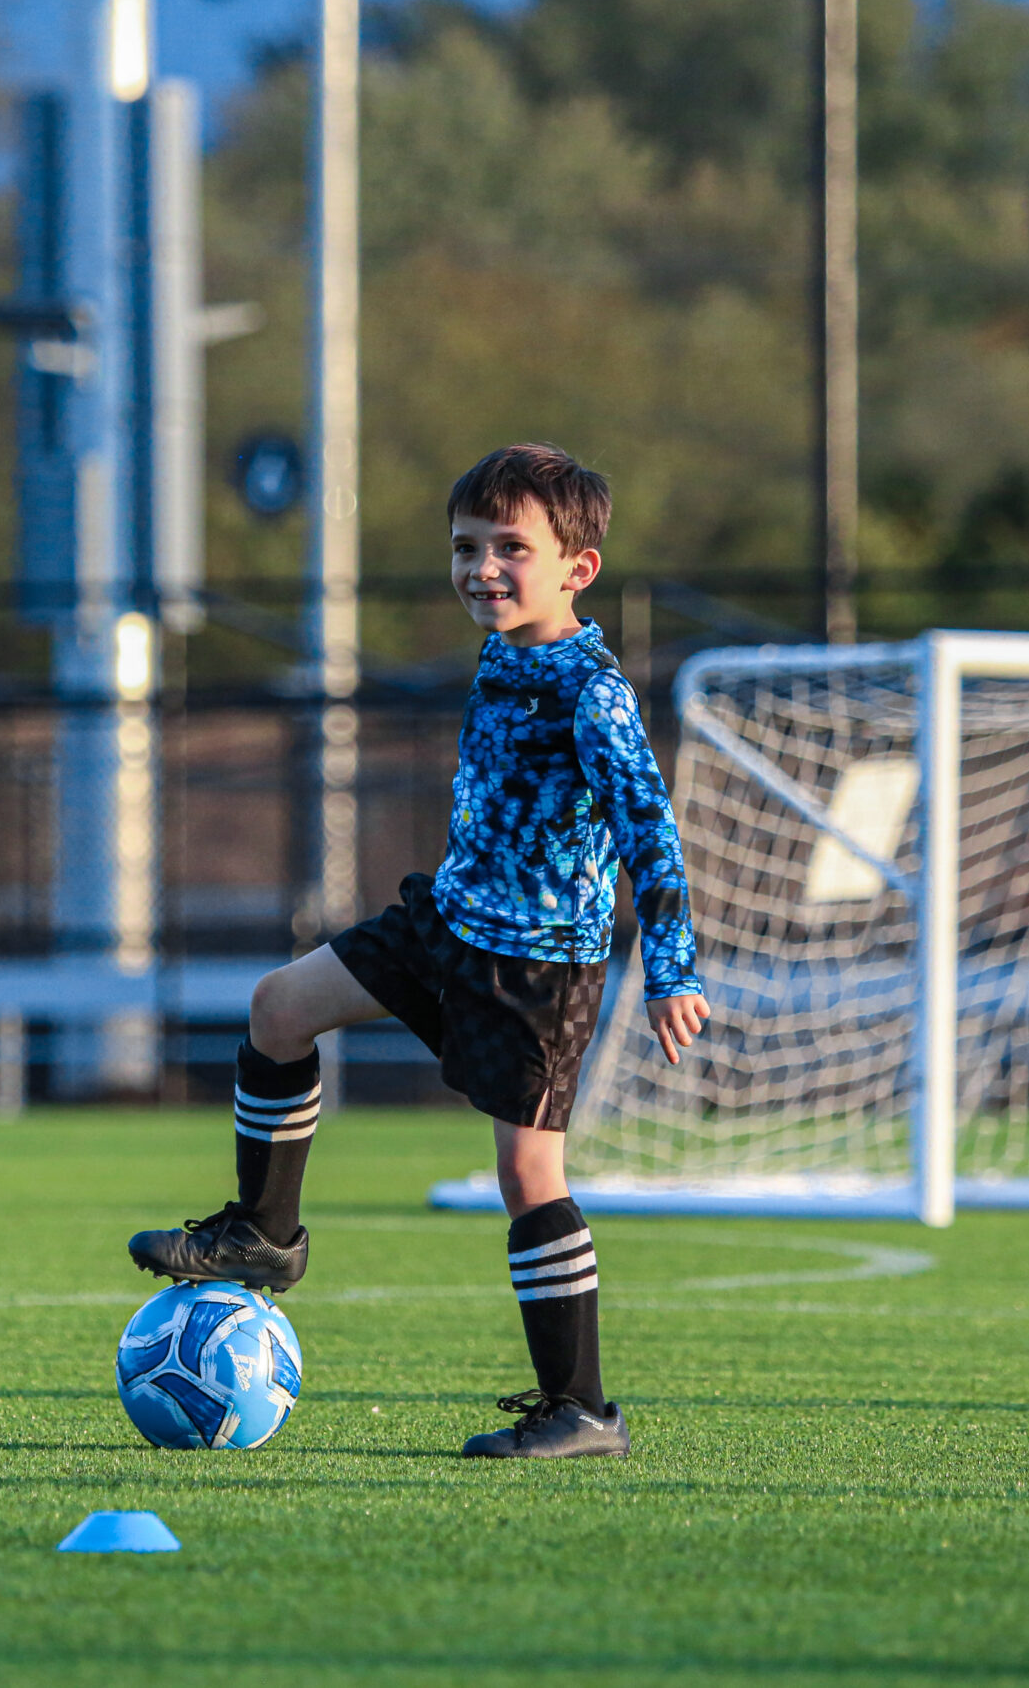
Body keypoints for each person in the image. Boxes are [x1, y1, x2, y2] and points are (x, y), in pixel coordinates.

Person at [129, 442, 709, 1459]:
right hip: (442, 923)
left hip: (536, 970)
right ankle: (265, 1235)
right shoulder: (503, 653)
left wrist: (671, 968)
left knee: (528, 1173)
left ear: (577, 569)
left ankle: (580, 1410)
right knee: (278, 1009)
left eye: (510, 548)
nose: (482, 568)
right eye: (465, 546)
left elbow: (650, 833)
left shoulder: (593, 692)